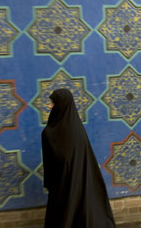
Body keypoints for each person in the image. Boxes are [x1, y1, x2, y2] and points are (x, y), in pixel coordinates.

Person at [41, 88, 116, 228]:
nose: (49, 106)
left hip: (63, 181)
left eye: (53, 103)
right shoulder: (77, 129)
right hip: (76, 179)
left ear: (61, 104)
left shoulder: (51, 132)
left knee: (64, 212)